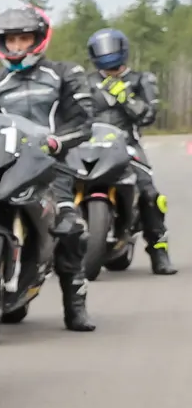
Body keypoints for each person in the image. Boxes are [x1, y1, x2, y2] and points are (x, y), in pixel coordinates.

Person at [0, 5, 101, 330]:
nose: (17, 46)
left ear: (39, 39)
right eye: (10, 40)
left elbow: (84, 121)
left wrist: (58, 141)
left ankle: (75, 306)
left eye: (24, 39)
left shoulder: (65, 73)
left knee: (69, 225)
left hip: (52, 163)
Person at [77, 27, 174, 274]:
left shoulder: (142, 80)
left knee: (150, 194)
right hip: (89, 144)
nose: (108, 56)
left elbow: (148, 116)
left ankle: (159, 251)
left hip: (127, 144)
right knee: (57, 187)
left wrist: (127, 97)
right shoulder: (85, 82)